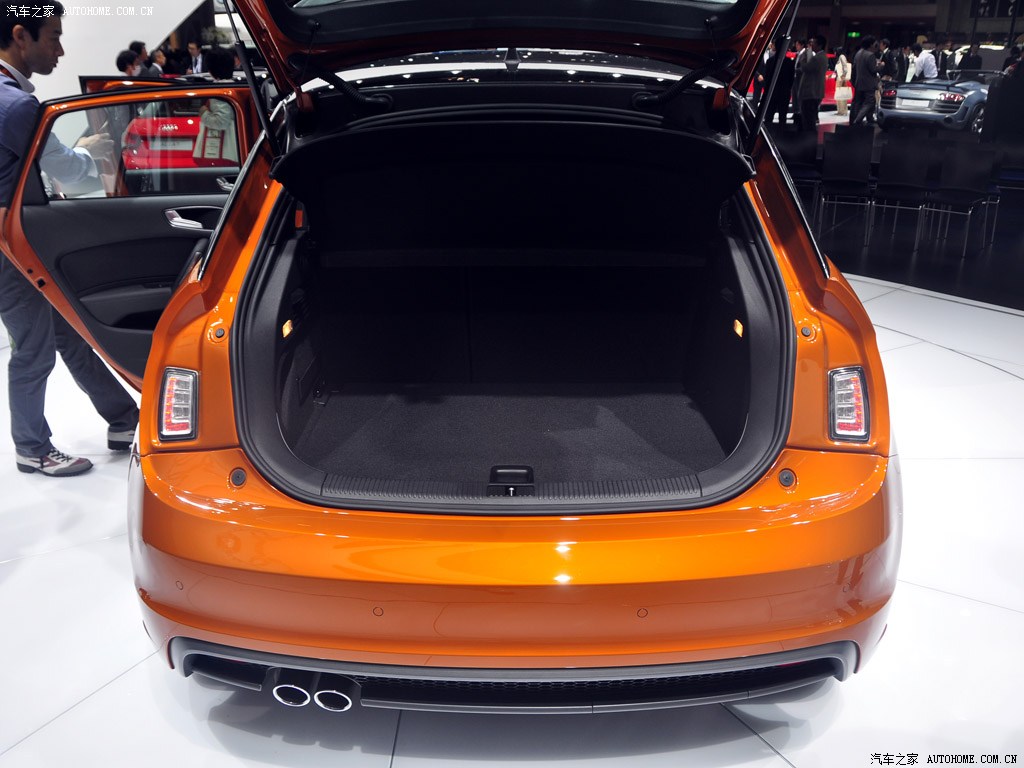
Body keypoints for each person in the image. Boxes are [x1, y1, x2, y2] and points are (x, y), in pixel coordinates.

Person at [0, 3, 139, 476]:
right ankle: (32, 447)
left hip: (21, 240)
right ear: (21, 35)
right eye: (54, 36)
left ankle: (123, 418)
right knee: (33, 349)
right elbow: (69, 170)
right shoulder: (15, 106)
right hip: (11, 246)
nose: (60, 50)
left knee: (68, 335)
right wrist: (89, 151)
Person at [192, 47, 239, 166]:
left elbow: (221, 122)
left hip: (222, 154)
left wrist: (204, 113)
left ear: (211, 70)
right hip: (234, 150)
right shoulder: (234, 87)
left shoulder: (219, 91)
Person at [796, 35, 827, 131]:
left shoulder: (817, 58)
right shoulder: (823, 57)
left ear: (820, 45)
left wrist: (803, 59)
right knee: (810, 118)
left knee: (808, 120)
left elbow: (805, 68)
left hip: (811, 93)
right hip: (816, 92)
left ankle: (809, 138)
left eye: (814, 43)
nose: (811, 45)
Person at [850, 36, 881, 126]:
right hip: (868, 84)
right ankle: (858, 120)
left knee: (858, 102)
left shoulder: (858, 53)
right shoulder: (870, 55)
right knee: (869, 102)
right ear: (871, 44)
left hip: (858, 82)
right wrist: (881, 66)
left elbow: (854, 68)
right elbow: (873, 69)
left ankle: (867, 118)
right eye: (874, 43)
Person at [764, 37, 795, 126]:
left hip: (771, 92)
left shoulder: (770, 61)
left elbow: (767, 79)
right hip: (784, 92)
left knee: (768, 117)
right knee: (782, 117)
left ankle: (767, 133)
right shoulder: (790, 62)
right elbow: (791, 79)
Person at [833, 47, 851, 117]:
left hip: (840, 78)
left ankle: (841, 111)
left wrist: (843, 75)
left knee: (840, 95)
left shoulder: (841, 56)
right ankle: (842, 111)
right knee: (842, 95)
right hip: (841, 78)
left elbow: (845, 66)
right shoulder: (841, 57)